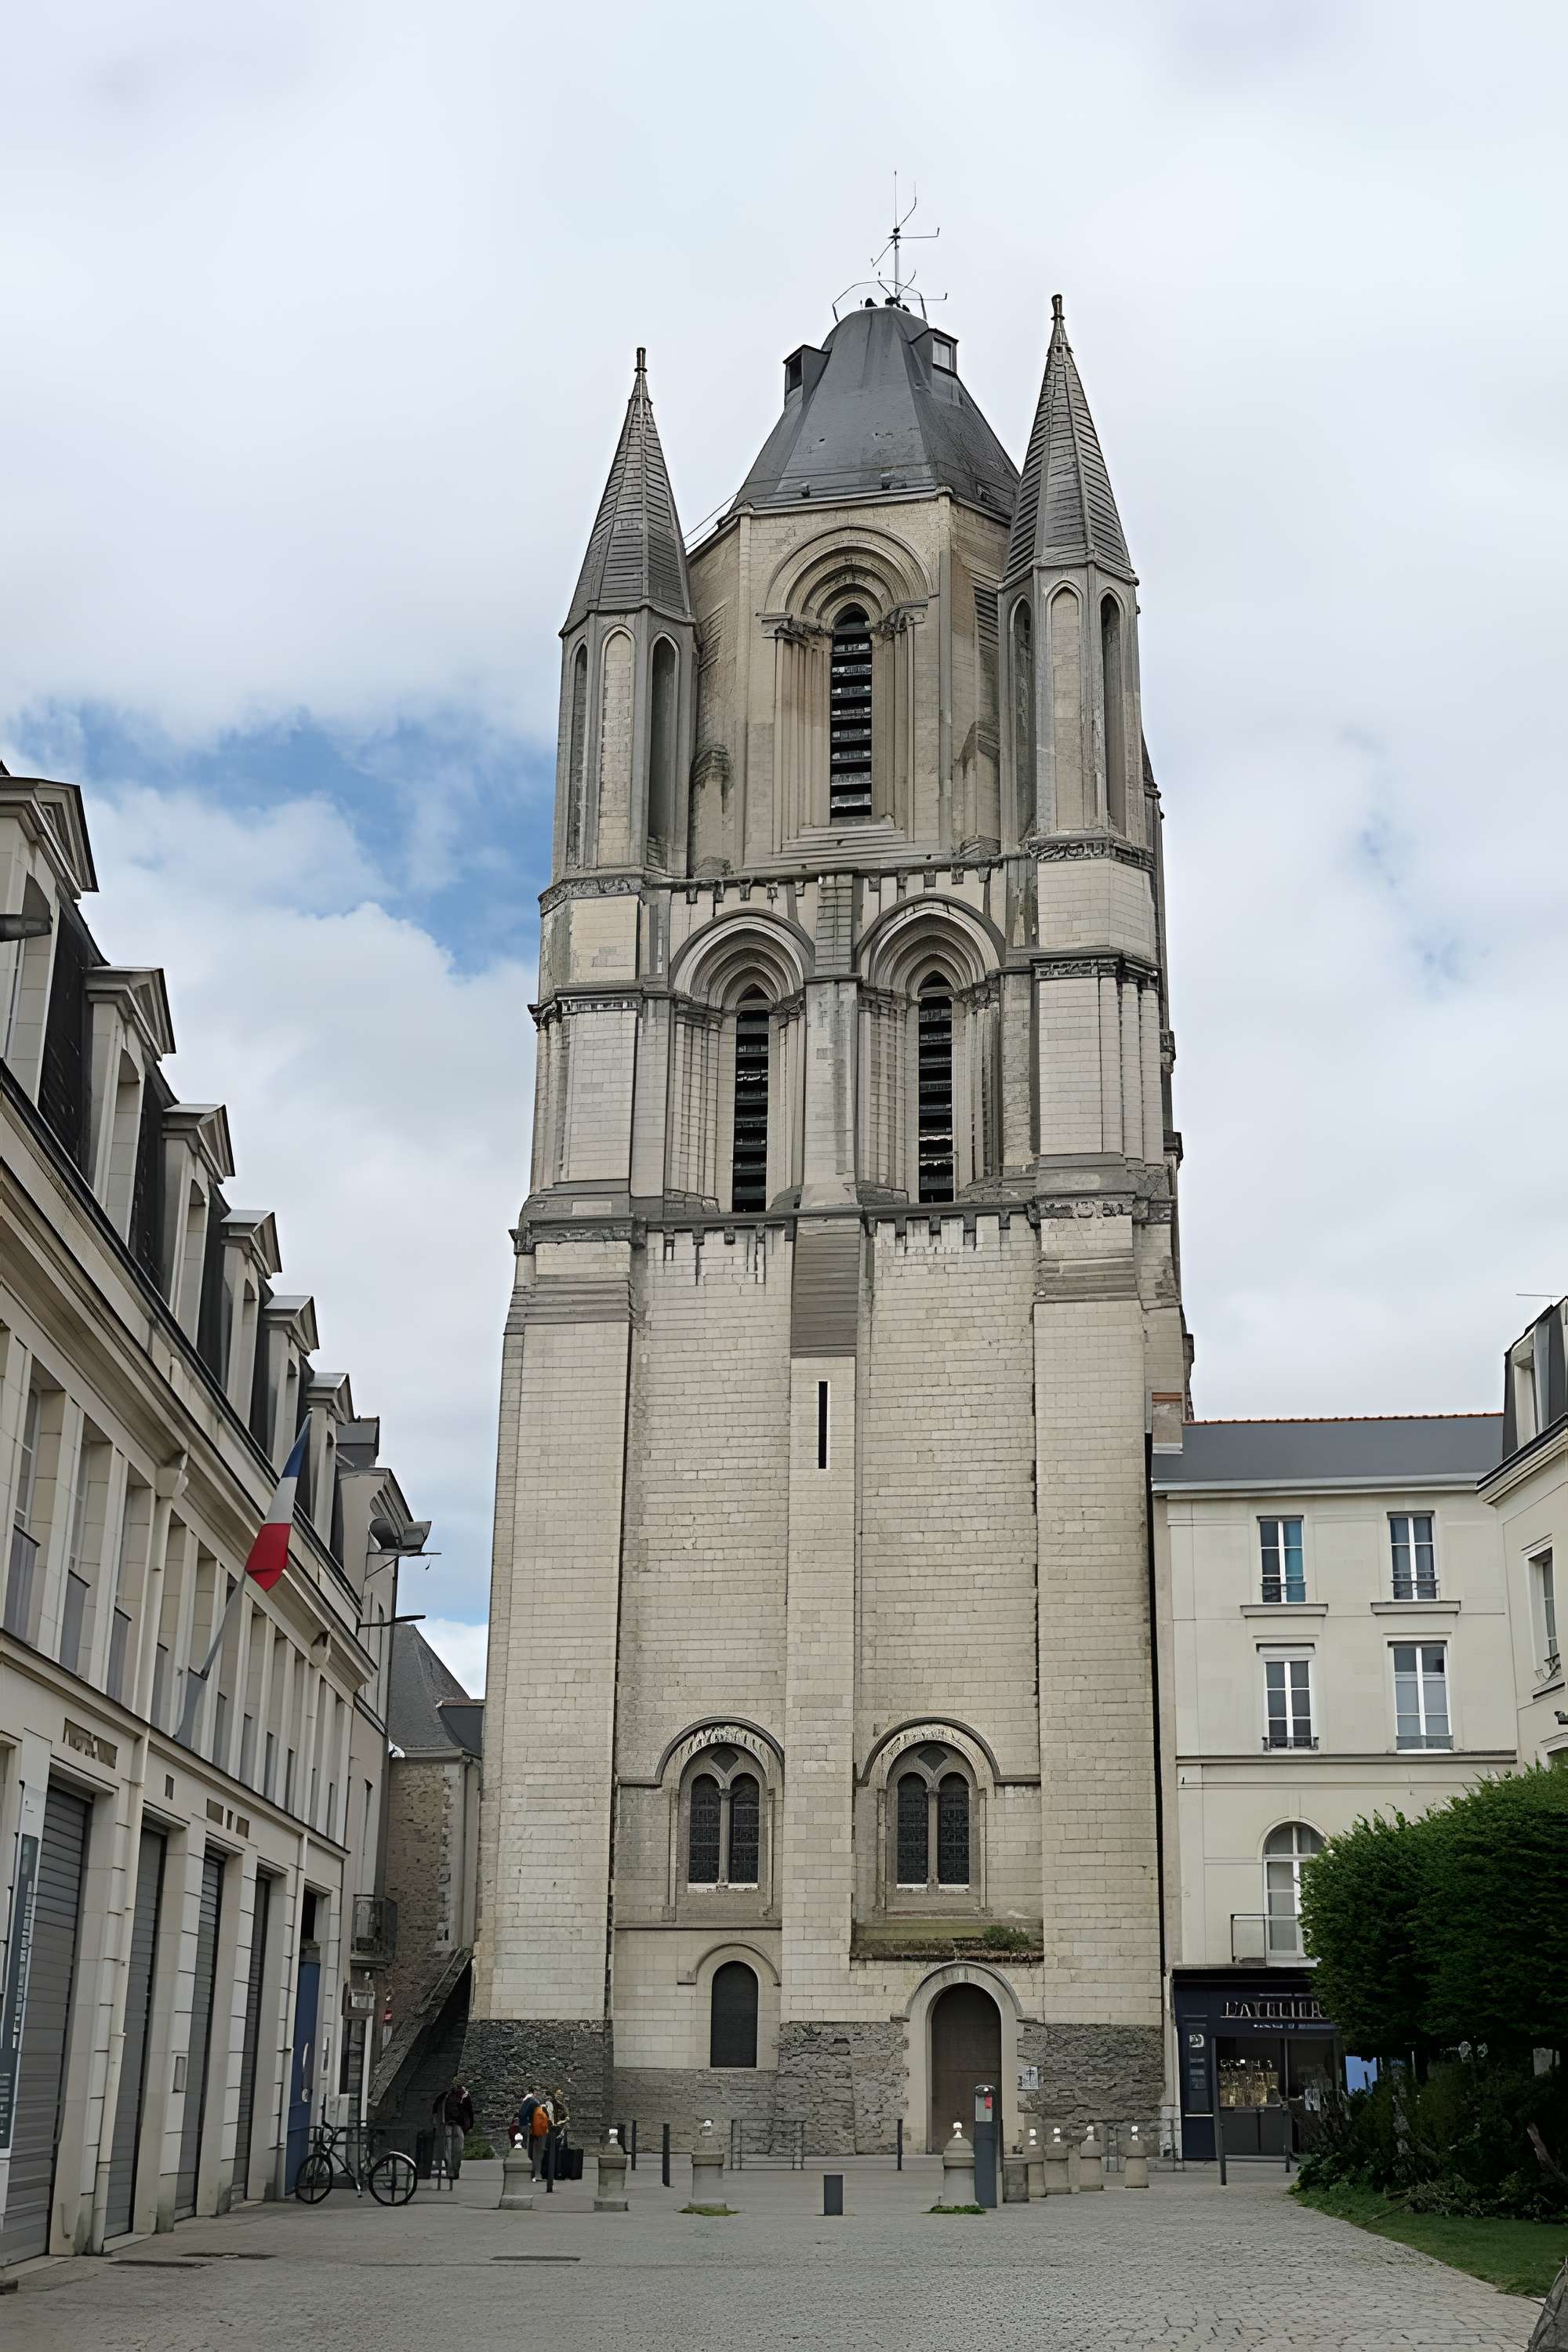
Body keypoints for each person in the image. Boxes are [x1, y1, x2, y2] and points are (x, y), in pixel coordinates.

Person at [430, 2078, 474, 2181]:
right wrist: (436, 2119)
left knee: (458, 2149)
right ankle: (450, 2171)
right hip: (448, 2124)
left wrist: (470, 2125)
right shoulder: (446, 2095)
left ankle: (455, 2170)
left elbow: (469, 2111)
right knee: (448, 2149)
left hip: (459, 2125)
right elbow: (435, 2107)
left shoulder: (465, 2096)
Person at [519, 2088, 547, 2180]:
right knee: (538, 2152)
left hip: (529, 2128)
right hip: (536, 2130)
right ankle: (536, 2174)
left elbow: (522, 2114)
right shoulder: (534, 2103)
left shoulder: (527, 2101)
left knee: (532, 2151)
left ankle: (532, 2173)